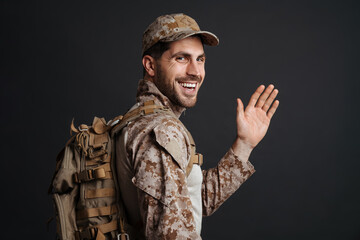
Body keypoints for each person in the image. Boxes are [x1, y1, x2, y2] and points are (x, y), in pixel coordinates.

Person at [114, 13, 279, 239]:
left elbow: (193, 201)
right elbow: (172, 233)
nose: (195, 71)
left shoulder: (134, 120)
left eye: (200, 59)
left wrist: (244, 144)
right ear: (150, 66)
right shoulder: (162, 131)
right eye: (181, 58)